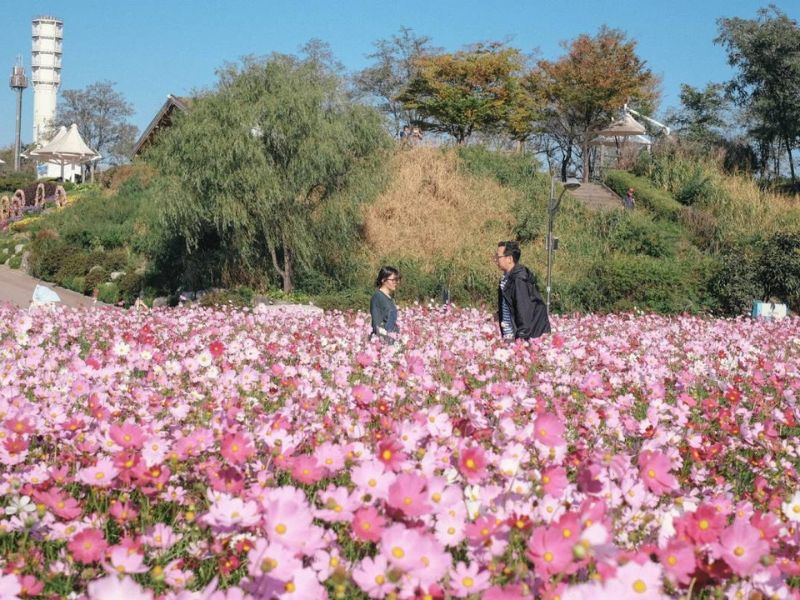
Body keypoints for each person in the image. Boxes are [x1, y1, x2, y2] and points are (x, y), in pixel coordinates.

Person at [494, 241, 550, 340]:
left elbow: (523, 310)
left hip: (519, 337)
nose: (495, 259)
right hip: (510, 334)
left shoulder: (519, 280)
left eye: (498, 257)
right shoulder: (506, 278)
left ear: (509, 259)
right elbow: (511, 304)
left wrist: (521, 339)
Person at [370, 266, 401, 342]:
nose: (396, 282)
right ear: (383, 280)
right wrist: (385, 343)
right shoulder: (377, 297)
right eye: (393, 280)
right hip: (384, 342)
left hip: (392, 339)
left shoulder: (389, 298)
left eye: (397, 280)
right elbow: (376, 325)